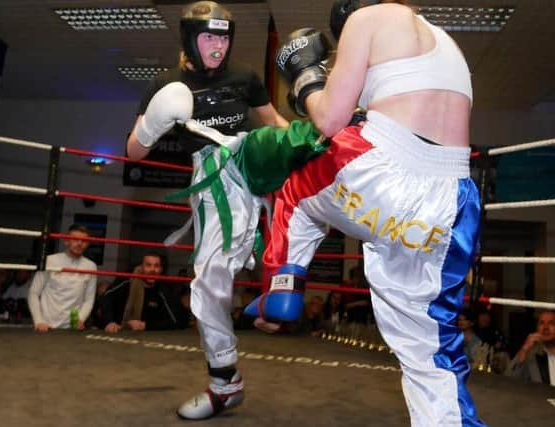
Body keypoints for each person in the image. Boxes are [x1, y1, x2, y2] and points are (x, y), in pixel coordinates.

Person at [245, 1, 485, 425]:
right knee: (429, 354)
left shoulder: (367, 18)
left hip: (382, 172)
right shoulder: (444, 41)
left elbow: (329, 120)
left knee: (295, 184)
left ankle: (282, 286)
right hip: (451, 203)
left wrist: (306, 79)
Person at [125, 1, 288, 420]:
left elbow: (275, 123)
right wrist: (153, 123)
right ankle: (224, 382)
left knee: (306, 210)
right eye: (209, 37)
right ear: (189, 40)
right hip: (213, 183)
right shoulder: (168, 83)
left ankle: (277, 298)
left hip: (252, 166)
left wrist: (315, 140)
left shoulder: (245, 77)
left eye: (224, 37)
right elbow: (134, 151)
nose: (218, 46)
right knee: (211, 276)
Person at [28, 224, 97, 332]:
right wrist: (38, 321)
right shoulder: (49, 261)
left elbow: (89, 299)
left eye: (83, 241)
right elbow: (33, 293)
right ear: (66, 241)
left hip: (71, 329)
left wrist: (80, 319)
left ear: (87, 244)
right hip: (46, 327)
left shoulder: (91, 266)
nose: (79, 243)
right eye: (75, 239)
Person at [121, 252, 187, 331]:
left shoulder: (165, 290)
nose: (152, 270)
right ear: (141, 268)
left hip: (154, 337)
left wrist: (146, 325)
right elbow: (107, 298)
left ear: (161, 269)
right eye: (148, 265)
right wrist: (110, 322)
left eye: (156, 266)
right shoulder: (127, 282)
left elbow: (178, 321)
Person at [505, 310, 555, 386]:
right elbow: (509, 382)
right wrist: (524, 349)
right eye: (541, 323)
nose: (545, 327)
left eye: (551, 323)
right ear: (537, 328)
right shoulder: (530, 354)